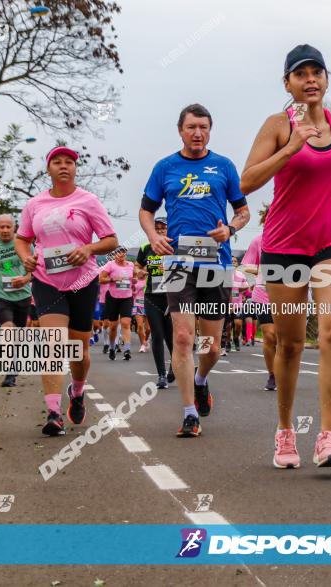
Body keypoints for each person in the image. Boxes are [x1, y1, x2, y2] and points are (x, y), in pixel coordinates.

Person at [241, 45, 331, 468]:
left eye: (317, 72)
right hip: (286, 243)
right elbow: (247, 181)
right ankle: (285, 431)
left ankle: (326, 436)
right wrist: (291, 147)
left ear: (327, 79)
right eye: (300, 74)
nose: (310, 79)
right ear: (287, 83)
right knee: (289, 344)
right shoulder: (277, 125)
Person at [140, 103, 250, 437]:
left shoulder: (224, 166)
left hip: (216, 263)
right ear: (180, 130)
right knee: (184, 337)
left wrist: (229, 229)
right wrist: (152, 237)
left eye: (203, 127)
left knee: (212, 347)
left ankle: (202, 380)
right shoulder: (165, 168)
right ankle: (189, 413)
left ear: (210, 130)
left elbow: (244, 212)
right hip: (177, 263)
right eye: (191, 127)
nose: (198, 133)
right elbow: (146, 210)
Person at [15, 146, 118, 436]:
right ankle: (53, 413)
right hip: (46, 280)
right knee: (52, 345)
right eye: (57, 162)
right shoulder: (35, 204)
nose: (63, 166)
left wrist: (88, 248)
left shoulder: (89, 201)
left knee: (79, 351)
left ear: (75, 168)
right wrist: (26, 257)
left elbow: (111, 240)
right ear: (48, 169)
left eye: (69, 162)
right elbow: (22, 239)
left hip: (83, 282)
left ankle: (77, 389)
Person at [0, 213, 33, 387]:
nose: (4, 230)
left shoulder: (23, 243)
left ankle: (15, 362)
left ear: (14, 227)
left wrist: (26, 279)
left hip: (23, 295)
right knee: (8, 330)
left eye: (8, 226)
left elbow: (34, 267)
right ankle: (10, 372)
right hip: (1, 295)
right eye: (1, 226)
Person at [136, 217, 176, 389]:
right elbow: (136, 266)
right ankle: (161, 375)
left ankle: (174, 368)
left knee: (172, 337)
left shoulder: (176, 246)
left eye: (163, 228)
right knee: (157, 335)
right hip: (152, 296)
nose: (159, 231)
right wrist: (139, 272)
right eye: (156, 228)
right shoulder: (146, 248)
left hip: (172, 296)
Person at [240, 232, 277, 391]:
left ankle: (285, 372)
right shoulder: (259, 240)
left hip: (290, 293)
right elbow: (246, 266)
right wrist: (257, 275)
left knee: (286, 340)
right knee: (269, 335)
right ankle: (272, 375)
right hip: (263, 293)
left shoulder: (295, 234)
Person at [100, 247, 136, 361]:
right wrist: (112, 279)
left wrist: (134, 281)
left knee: (126, 323)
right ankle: (111, 347)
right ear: (114, 255)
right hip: (113, 298)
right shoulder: (110, 265)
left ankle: (127, 349)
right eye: (119, 253)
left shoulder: (131, 265)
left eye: (123, 253)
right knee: (114, 326)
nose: (121, 255)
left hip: (127, 297)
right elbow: (101, 279)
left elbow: (134, 277)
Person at [133, 278, 149, 353]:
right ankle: (143, 344)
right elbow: (132, 292)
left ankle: (145, 340)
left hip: (148, 304)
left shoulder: (149, 277)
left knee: (148, 329)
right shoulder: (135, 278)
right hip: (137, 304)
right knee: (139, 326)